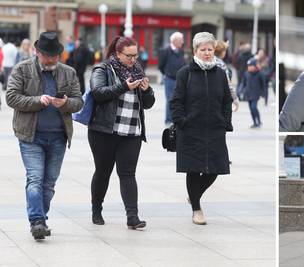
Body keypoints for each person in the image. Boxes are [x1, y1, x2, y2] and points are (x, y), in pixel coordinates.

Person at [5, 31, 83, 240]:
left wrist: (65, 103)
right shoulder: (22, 69)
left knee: (49, 183)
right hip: (31, 136)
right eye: (47, 55)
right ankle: (37, 221)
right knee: (36, 178)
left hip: (59, 137)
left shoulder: (69, 72)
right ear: (37, 52)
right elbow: (11, 98)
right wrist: (38, 100)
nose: (52, 59)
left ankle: (41, 218)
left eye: (55, 55)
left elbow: (79, 102)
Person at [88, 36, 155, 229]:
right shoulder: (103, 69)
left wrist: (147, 90)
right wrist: (124, 86)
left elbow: (149, 104)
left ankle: (132, 217)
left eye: (136, 56)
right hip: (104, 131)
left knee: (128, 174)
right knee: (103, 171)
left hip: (131, 131)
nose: (134, 60)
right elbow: (98, 93)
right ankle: (96, 210)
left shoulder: (138, 71)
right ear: (117, 53)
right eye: (129, 56)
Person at [170, 32, 233, 225]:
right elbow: (176, 101)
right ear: (195, 51)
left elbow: (226, 100)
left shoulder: (221, 73)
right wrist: (182, 121)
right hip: (190, 130)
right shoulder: (185, 73)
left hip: (215, 129)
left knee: (215, 169)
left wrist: (225, 121)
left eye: (210, 49)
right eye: (203, 49)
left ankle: (194, 195)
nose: (207, 53)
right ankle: (196, 208)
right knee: (193, 169)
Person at [158, 32, 185, 126]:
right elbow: (160, 65)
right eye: (181, 40)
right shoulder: (165, 50)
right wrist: (166, 74)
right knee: (170, 99)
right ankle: (168, 121)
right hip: (169, 79)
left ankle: (176, 119)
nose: (182, 42)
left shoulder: (181, 51)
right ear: (175, 41)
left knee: (179, 100)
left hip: (180, 80)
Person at [239, 57, 266, 128]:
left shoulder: (260, 74)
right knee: (251, 109)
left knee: (254, 107)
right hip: (248, 94)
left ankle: (259, 121)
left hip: (256, 94)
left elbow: (263, 85)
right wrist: (241, 90)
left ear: (255, 66)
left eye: (251, 66)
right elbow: (243, 83)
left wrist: (264, 94)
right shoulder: (246, 73)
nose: (249, 67)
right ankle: (254, 122)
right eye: (248, 66)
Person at [214, 40, 239, 112]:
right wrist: (235, 98)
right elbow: (227, 83)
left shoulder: (208, 60)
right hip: (218, 96)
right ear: (222, 52)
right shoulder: (221, 64)